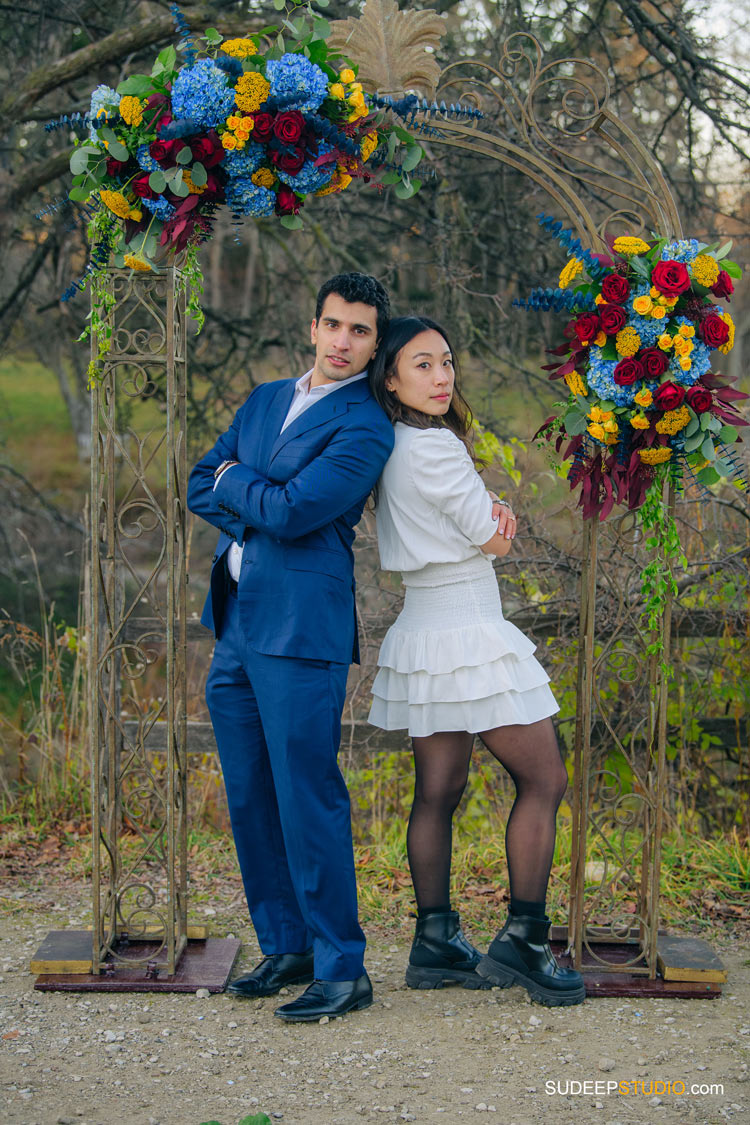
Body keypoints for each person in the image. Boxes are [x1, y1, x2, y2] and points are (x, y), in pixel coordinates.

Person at [187, 273, 395, 1022]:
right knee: (249, 791)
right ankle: (288, 943)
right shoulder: (265, 398)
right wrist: (256, 497)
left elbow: (302, 507)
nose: (343, 341)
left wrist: (241, 482)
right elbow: (197, 482)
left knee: (307, 794)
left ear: (374, 344)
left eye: (360, 331)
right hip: (238, 622)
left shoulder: (368, 424)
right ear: (313, 326)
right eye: (334, 325)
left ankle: (343, 964)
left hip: (303, 629)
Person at [367, 315, 585, 1007]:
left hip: (423, 630)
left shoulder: (390, 443)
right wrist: (498, 512)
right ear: (392, 379)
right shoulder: (435, 446)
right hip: (466, 626)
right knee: (545, 779)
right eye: (422, 365)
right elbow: (493, 542)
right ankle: (524, 938)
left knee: (438, 792)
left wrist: (486, 509)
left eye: (446, 362)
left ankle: (435, 939)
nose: (441, 376)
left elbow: (460, 522)